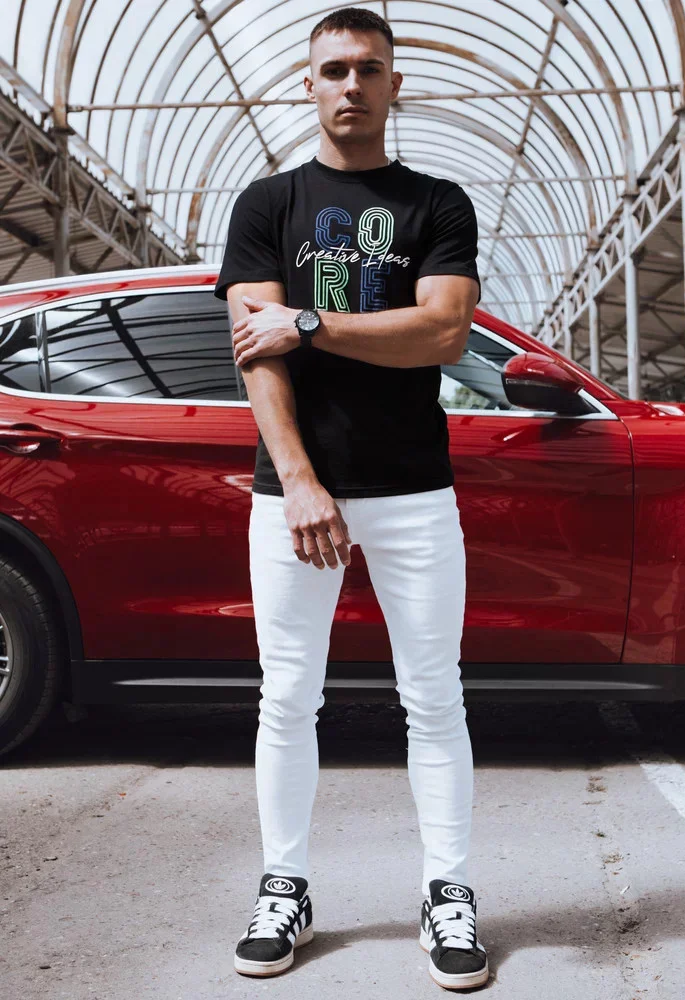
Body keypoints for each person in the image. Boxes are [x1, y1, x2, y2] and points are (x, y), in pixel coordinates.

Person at [214, 6, 487, 991]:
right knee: (288, 696)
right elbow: (254, 354)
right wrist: (299, 482)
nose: (352, 85)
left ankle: (448, 891)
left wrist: (310, 321)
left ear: (394, 84)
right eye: (334, 69)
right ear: (309, 83)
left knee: (434, 695)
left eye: (369, 68)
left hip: (414, 488)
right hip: (294, 492)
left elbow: (444, 333)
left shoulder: (437, 203)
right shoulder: (266, 205)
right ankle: (283, 886)